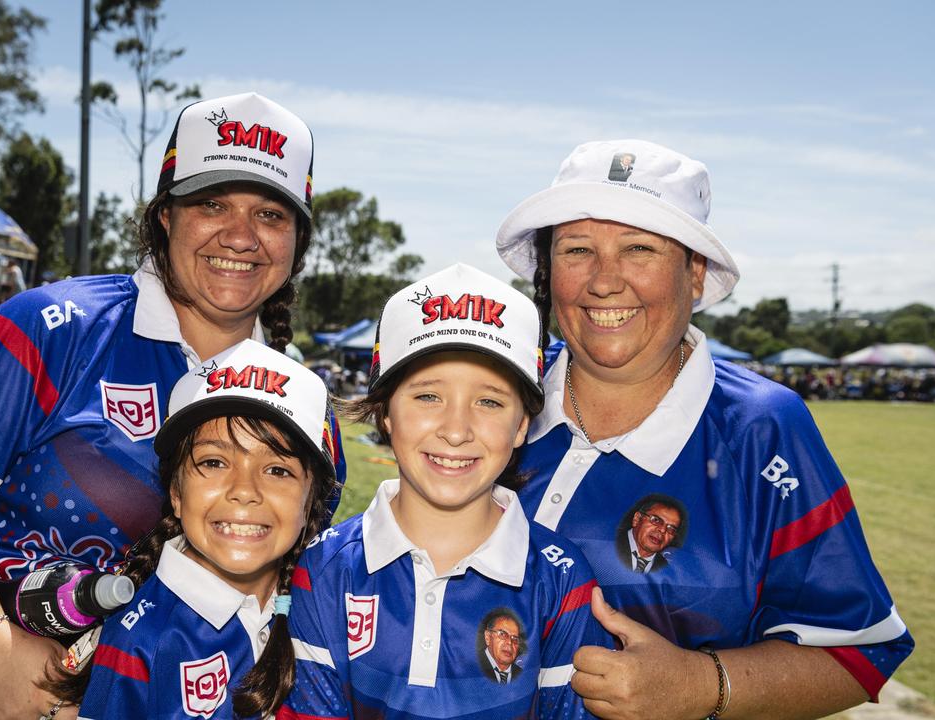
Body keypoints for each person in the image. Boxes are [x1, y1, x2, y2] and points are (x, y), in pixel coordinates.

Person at [0, 92, 344, 720]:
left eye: (271, 215)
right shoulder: (50, 328)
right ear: (166, 214)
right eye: (212, 203)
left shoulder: (309, 411)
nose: (241, 236)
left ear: (297, 239)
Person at [495, 139, 913, 719]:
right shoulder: (496, 398)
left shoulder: (762, 427)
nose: (604, 281)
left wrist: (700, 685)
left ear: (695, 273)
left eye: (639, 249)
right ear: (547, 268)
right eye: (578, 249)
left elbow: (859, 652)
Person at [280, 263, 602, 720]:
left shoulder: (563, 580)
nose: (456, 431)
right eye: (428, 396)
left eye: (489, 401)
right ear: (385, 412)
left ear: (522, 426)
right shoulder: (326, 567)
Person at [69, 340, 340, 719]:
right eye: (213, 462)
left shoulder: (327, 603)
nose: (244, 491)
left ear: (312, 500)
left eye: (278, 470)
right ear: (176, 492)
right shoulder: (142, 642)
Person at [613, 493, 687, 574]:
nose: (663, 530)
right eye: (656, 520)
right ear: (637, 519)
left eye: (671, 529)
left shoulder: (669, 569)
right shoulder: (609, 543)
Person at [477, 608, 525, 683]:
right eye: (502, 634)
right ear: (488, 637)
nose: (509, 642)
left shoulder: (523, 674)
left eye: (515, 638)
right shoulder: (472, 667)